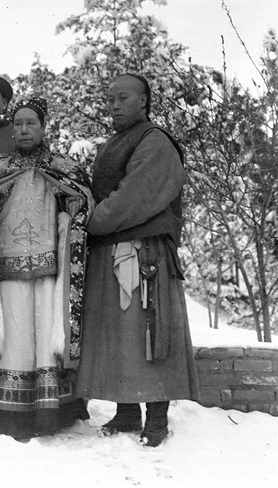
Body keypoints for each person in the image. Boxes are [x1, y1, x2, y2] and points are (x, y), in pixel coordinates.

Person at [0, 97, 95, 441]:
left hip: (50, 270)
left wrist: (73, 205)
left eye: (30, 123)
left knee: (48, 339)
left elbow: (83, 202)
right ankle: (9, 415)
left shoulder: (62, 167)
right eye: (17, 124)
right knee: (15, 341)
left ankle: (54, 412)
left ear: (43, 127)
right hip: (8, 269)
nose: (23, 130)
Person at [76, 73, 200, 447]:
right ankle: (127, 411)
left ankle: (157, 419)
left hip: (146, 253)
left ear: (144, 100)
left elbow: (133, 196)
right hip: (112, 249)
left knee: (151, 332)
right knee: (120, 335)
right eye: (110, 99)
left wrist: (90, 222)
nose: (114, 105)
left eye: (123, 98)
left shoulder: (155, 141)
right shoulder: (115, 143)